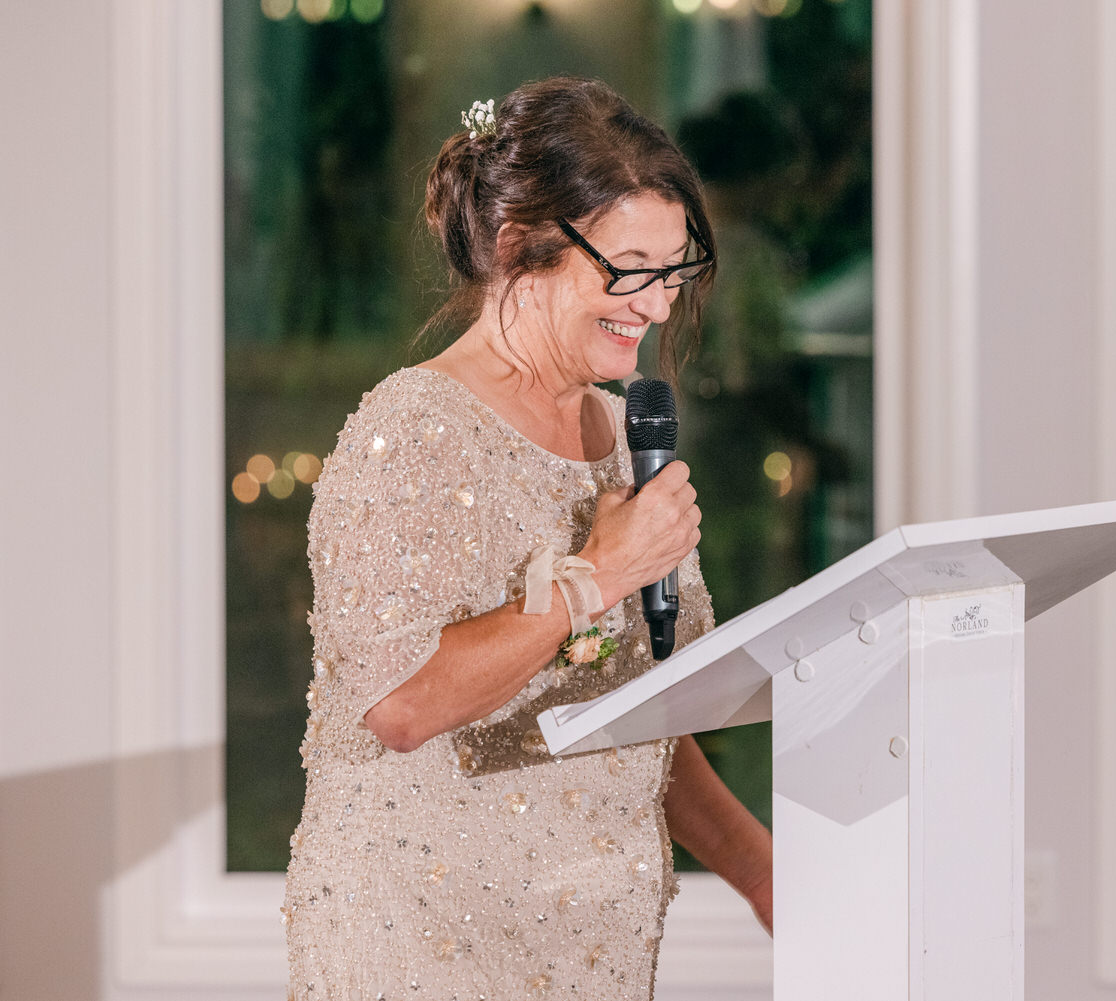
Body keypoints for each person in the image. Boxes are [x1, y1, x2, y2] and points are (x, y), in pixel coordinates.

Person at [281, 77, 772, 999]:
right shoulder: (412, 427)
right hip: (425, 935)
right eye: (627, 269)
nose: (659, 305)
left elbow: (625, 713)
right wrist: (603, 570)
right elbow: (399, 706)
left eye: (674, 270)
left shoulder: (630, 435)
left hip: (593, 938)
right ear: (518, 248)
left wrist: (757, 868)